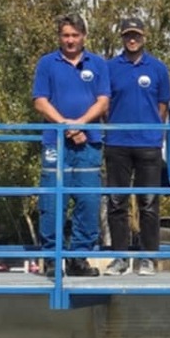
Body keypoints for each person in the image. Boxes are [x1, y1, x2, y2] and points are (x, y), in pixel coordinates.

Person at [32, 14, 110, 278]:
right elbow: (40, 101)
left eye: (75, 35)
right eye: (65, 35)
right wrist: (66, 126)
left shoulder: (98, 64)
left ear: (84, 36)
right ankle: (52, 259)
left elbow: (103, 101)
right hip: (55, 142)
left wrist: (80, 125)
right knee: (53, 201)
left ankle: (78, 258)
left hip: (89, 143)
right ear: (59, 37)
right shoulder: (47, 63)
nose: (70, 40)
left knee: (88, 201)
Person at [101, 17, 170, 276]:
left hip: (148, 144)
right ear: (122, 38)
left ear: (144, 37)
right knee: (116, 202)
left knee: (149, 203)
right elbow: (104, 104)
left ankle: (148, 258)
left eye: (136, 35)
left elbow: (163, 105)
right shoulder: (109, 67)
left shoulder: (158, 68)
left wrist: (152, 130)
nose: (132, 39)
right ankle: (119, 258)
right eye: (128, 35)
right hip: (117, 143)